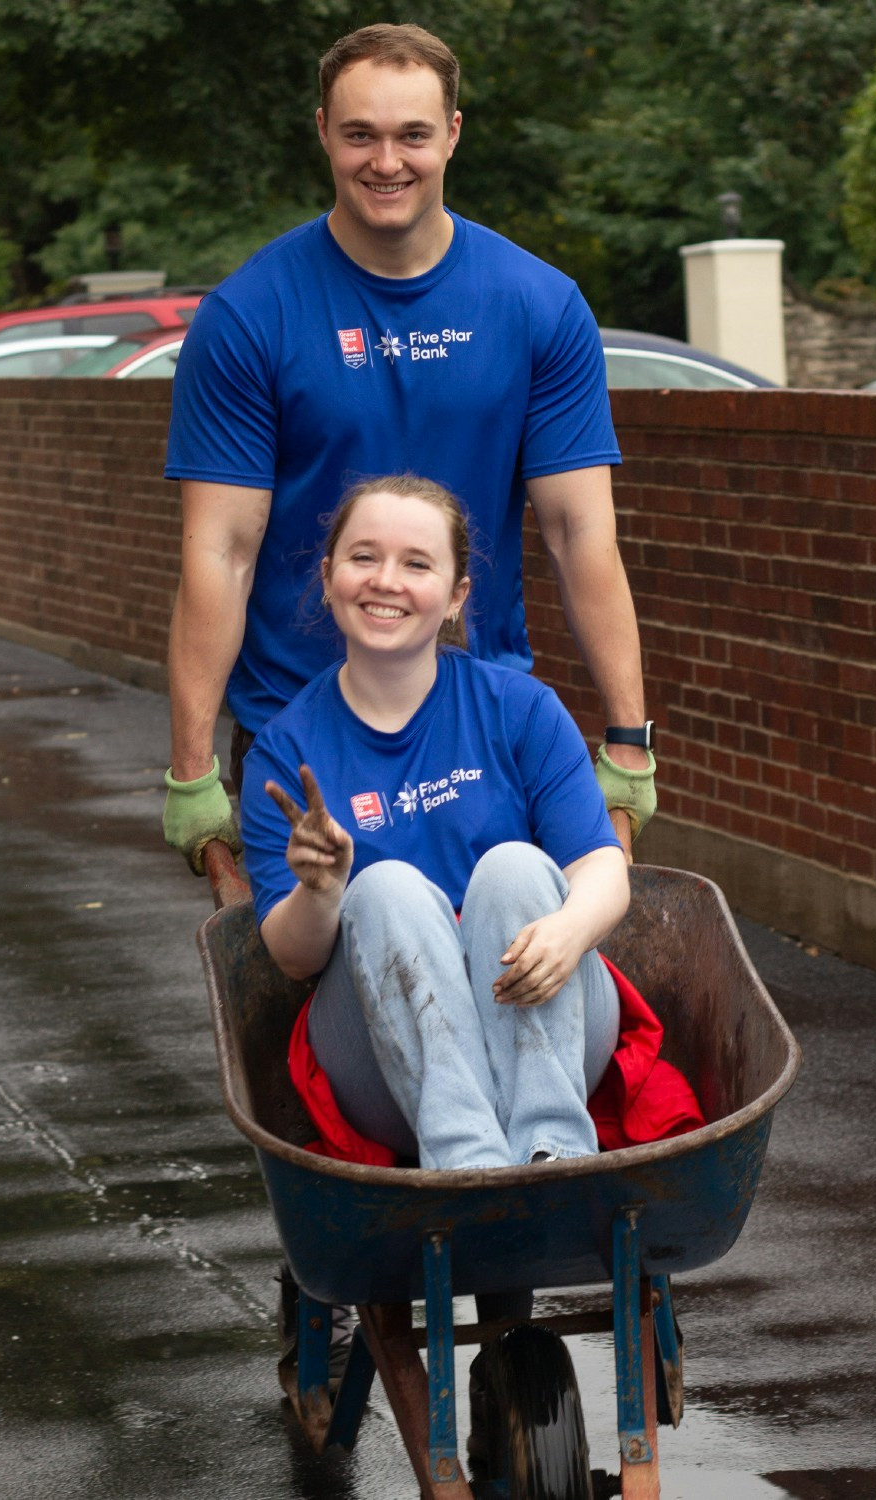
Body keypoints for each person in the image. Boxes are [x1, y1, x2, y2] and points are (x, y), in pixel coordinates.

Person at [162, 21, 656, 873]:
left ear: (453, 134)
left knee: (505, 968)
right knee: (317, 993)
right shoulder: (249, 317)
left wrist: (627, 739)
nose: (385, 161)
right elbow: (221, 550)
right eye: (359, 134)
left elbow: (581, 535)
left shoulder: (538, 306)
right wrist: (192, 770)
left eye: (412, 135)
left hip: (484, 718)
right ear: (323, 130)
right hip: (299, 732)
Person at [241, 475, 631, 1170]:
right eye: (363, 558)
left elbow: (603, 868)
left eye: (417, 564)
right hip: (386, 1058)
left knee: (513, 868)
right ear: (329, 579)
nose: (386, 581)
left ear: (455, 597)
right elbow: (294, 958)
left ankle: (553, 1155)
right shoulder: (286, 749)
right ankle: (468, 1168)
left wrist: (569, 931)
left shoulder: (521, 709)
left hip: (544, 1024)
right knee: (383, 885)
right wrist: (325, 890)